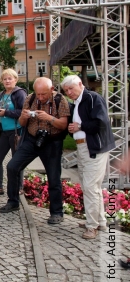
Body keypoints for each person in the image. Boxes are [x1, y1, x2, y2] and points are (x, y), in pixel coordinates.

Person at [0, 77, 71, 225]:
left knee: (53, 177)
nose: (40, 97)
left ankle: (57, 212)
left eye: (43, 94)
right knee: (12, 166)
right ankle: (13, 201)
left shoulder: (60, 100)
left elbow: (63, 125)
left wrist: (49, 118)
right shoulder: (30, 98)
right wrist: (24, 117)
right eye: (37, 94)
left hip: (52, 141)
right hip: (31, 139)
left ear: (51, 90)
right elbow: (21, 123)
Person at [62, 75, 116, 238]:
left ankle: (91, 226)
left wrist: (80, 126)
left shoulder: (93, 98)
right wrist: (73, 129)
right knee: (91, 187)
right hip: (82, 146)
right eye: (66, 90)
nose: (69, 92)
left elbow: (102, 123)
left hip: (95, 147)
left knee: (90, 186)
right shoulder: (76, 103)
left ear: (80, 84)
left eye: (71, 89)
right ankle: (99, 222)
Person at [0, 69, 27, 195]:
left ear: (15, 80)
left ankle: (19, 187)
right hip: (3, 132)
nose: (7, 81)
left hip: (16, 132)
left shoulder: (20, 94)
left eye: (10, 78)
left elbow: (23, 112)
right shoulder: (1, 94)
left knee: (17, 160)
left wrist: (6, 113)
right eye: (5, 79)